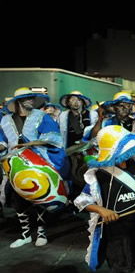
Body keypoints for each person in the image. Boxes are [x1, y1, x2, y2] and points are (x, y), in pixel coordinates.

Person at [74, 125, 135, 272]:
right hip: (116, 231)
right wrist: (101, 210)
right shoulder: (98, 174)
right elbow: (82, 201)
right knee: (122, 266)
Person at [0, 87, 66, 248]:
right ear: (18, 102)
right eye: (28, 98)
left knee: (39, 198)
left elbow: (53, 137)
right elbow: (2, 140)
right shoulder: (5, 120)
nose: (32, 101)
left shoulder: (42, 116)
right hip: (14, 165)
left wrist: (31, 143)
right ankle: (26, 234)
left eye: (32, 98)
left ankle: (41, 232)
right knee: (18, 201)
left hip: (37, 162)